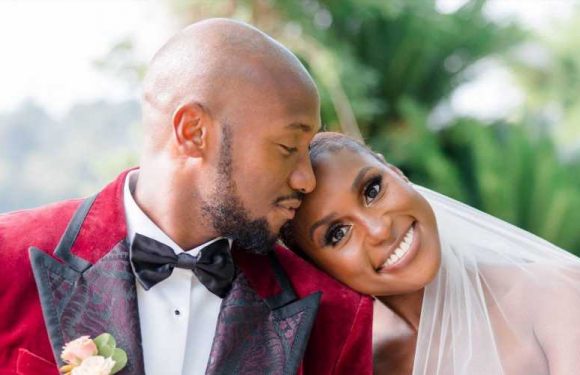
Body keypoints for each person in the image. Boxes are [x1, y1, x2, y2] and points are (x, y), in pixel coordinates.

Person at [0, 21, 373, 375]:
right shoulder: (9, 259)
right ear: (193, 131)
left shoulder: (337, 315)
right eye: (288, 146)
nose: (306, 180)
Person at [282, 132, 580, 375]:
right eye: (338, 234)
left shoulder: (555, 294)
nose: (379, 230)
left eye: (372, 190)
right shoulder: (363, 365)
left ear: (396, 172)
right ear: (318, 268)